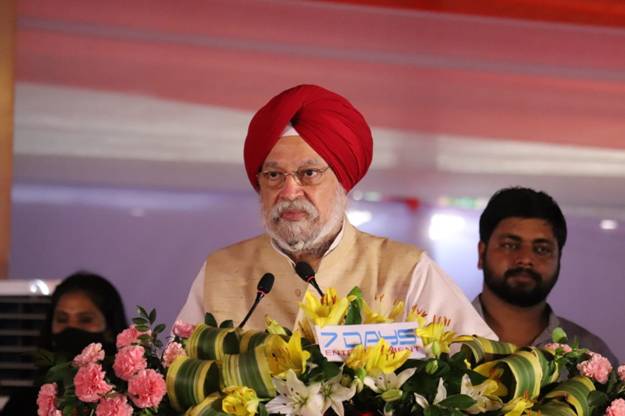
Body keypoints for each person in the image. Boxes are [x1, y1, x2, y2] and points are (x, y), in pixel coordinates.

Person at [177, 84, 495, 339]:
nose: (289, 192)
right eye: (274, 175)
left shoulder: (405, 272)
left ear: (342, 180)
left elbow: (479, 371)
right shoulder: (220, 271)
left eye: (309, 173)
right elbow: (178, 376)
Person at [472, 187, 617, 362]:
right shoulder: (443, 338)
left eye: (541, 249)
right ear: (481, 253)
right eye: (510, 245)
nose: (525, 259)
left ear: (559, 260)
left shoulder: (590, 356)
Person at [0, 271, 128, 415]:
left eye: (85, 320)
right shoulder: (23, 403)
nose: (71, 328)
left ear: (109, 330)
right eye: (62, 319)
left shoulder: (131, 400)